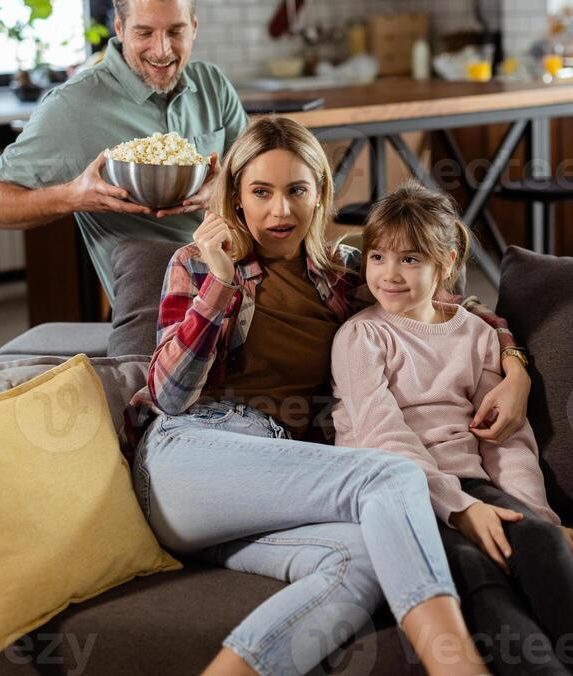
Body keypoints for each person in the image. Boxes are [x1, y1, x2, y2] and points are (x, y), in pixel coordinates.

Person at [130, 115, 531, 676]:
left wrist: (516, 369)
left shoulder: (343, 275)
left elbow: (448, 301)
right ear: (237, 199)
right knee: (392, 474)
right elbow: (168, 395)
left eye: (297, 190)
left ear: (319, 194)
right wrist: (220, 285)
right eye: (261, 192)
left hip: (276, 488)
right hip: (190, 460)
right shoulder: (197, 265)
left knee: (362, 561)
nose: (280, 211)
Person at [331, 180, 573, 675]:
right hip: (397, 491)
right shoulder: (362, 336)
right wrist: (463, 510)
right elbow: (384, 438)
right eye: (377, 257)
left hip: (471, 484)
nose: (389, 274)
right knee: (478, 572)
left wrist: (535, 511)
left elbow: (505, 441)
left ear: (445, 262)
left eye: (411, 260)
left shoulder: (477, 334)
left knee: (541, 543)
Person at [0, 0, 249, 300]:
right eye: (144, 33)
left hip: (238, 272)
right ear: (119, 28)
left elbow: (254, 178)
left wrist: (220, 189)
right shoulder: (73, 105)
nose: (162, 51)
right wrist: (74, 196)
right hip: (158, 296)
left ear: (194, 27)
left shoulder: (213, 84)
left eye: (175, 32)